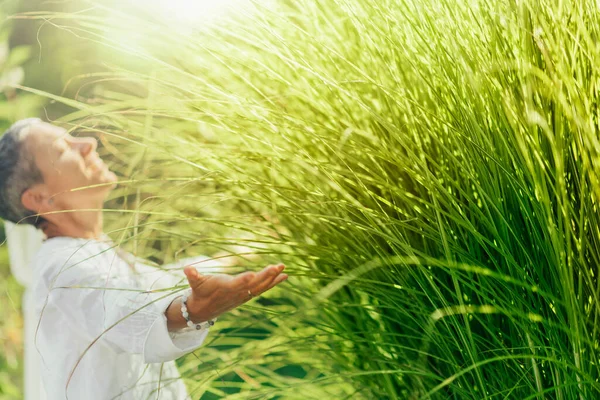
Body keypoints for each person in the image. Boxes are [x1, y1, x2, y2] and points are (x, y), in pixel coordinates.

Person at [0, 118, 288, 399]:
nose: (87, 143)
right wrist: (192, 311)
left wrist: (242, 252)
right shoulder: (60, 264)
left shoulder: (96, 252)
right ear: (39, 199)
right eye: (63, 149)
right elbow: (119, 309)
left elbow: (164, 282)